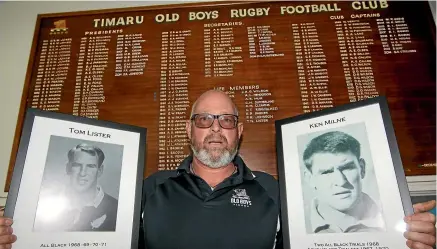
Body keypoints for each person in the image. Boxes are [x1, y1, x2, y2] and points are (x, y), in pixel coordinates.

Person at [0, 90, 435, 249]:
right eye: (204, 119)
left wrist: (401, 239)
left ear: (239, 131)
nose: (215, 130)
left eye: (226, 120)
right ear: (189, 128)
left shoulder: (280, 192)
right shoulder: (146, 188)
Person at [302, 131, 384, 233]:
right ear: (310, 179)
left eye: (347, 168)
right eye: (326, 172)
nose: (341, 182)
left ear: (362, 168)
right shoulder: (292, 226)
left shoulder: (392, 216)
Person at [33, 143, 118, 232]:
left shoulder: (117, 209)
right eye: (77, 165)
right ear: (68, 168)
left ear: (100, 171)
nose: (82, 173)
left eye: (90, 166)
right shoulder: (43, 204)